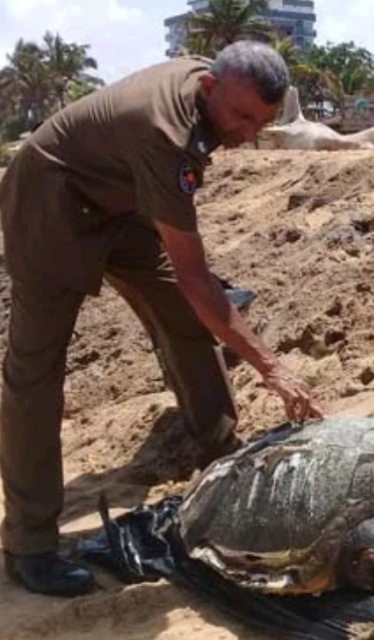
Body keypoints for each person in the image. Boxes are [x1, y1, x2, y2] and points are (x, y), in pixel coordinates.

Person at [0, 41, 324, 598]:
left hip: (118, 199)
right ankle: (28, 545)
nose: (248, 133)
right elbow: (197, 278)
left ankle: (221, 453)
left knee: (181, 314)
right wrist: (271, 368)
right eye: (242, 117)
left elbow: (188, 287)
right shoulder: (166, 133)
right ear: (210, 88)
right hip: (49, 199)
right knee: (36, 373)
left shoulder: (208, 95)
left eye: (261, 122)